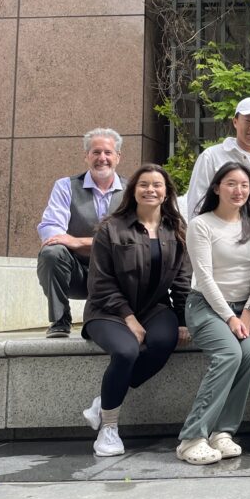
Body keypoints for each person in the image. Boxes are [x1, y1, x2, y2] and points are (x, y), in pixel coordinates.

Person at [81, 164, 192, 457]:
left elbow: (183, 280)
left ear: (167, 192)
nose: (151, 190)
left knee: (163, 342)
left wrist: (182, 319)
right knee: (127, 351)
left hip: (153, 308)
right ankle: (109, 428)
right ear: (133, 190)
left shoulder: (176, 230)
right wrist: (128, 318)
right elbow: (100, 282)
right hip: (108, 310)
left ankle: (103, 401)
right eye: (144, 184)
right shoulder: (111, 228)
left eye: (157, 185)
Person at [177, 162, 250, 465]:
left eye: (244, 185)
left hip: (244, 309)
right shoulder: (201, 224)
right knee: (230, 354)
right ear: (217, 187)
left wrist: (248, 311)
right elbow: (204, 277)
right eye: (231, 183)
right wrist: (229, 317)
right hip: (205, 306)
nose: (238, 190)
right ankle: (192, 437)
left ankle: (223, 431)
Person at [37, 128, 126, 338]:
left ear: (118, 157)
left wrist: (78, 241)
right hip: (77, 273)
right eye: (95, 152)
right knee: (52, 252)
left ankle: (128, 314)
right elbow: (52, 231)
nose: (101, 158)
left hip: (117, 275)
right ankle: (60, 319)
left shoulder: (132, 191)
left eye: (108, 152)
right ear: (86, 156)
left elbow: (132, 241)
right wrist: (96, 243)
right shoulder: (65, 186)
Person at [187, 97, 250, 235]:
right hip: (220, 244)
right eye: (248, 121)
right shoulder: (212, 156)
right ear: (235, 122)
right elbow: (196, 205)